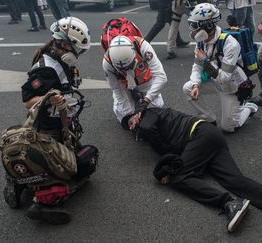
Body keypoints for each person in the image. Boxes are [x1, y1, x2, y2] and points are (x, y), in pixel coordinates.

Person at [122, 106, 262, 241]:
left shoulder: (149, 116)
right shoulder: (151, 127)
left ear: (137, 113)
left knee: (177, 176)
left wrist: (166, 169)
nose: (132, 126)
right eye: (129, 127)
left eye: (130, 120)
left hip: (199, 135)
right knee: (235, 181)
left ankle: (229, 203)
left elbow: (163, 145)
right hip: (208, 138)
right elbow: (170, 150)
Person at [12, 17, 96, 224]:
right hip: (50, 130)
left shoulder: (58, 59)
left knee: (83, 161)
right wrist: (49, 98)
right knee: (81, 169)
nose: (78, 55)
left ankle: (21, 181)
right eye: (77, 50)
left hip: (62, 125)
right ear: (64, 44)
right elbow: (28, 101)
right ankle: (42, 203)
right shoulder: (46, 68)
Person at [182, 3, 258, 133]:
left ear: (208, 26)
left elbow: (225, 78)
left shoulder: (230, 44)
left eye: (195, 26)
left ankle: (249, 108)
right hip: (215, 79)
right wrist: (195, 84)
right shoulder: (201, 41)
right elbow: (197, 66)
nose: (193, 31)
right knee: (188, 88)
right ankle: (209, 118)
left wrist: (205, 60)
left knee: (229, 128)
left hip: (232, 87)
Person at [102, 35, 167, 126]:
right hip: (123, 85)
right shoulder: (107, 62)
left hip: (144, 80)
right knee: (124, 114)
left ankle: (141, 97)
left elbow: (161, 77)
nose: (126, 70)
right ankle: (129, 102)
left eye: (128, 67)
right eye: (123, 69)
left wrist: (146, 100)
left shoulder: (143, 46)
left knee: (156, 109)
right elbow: (116, 89)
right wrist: (130, 114)